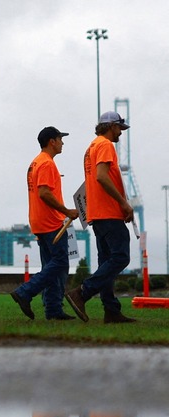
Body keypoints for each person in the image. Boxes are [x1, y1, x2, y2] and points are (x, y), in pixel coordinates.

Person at [65, 111, 136, 324]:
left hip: (97, 213)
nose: (120, 134)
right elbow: (102, 177)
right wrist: (123, 203)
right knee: (121, 257)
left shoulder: (91, 148)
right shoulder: (105, 146)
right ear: (111, 126)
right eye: (119, 129)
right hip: (109, 212)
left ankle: (111, 310)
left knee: (106, 261)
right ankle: (82, 292)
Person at [10, 127, 79, 321]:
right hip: (51, 222)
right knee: (59, 264)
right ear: (52, 141)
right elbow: (44, 193)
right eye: (60, 139)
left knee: (52, 266)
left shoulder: (35, 163)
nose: (62, 143)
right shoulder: (47, 164)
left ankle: (53, 309)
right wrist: (66, 211)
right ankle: (25, 292)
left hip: (39, 221)